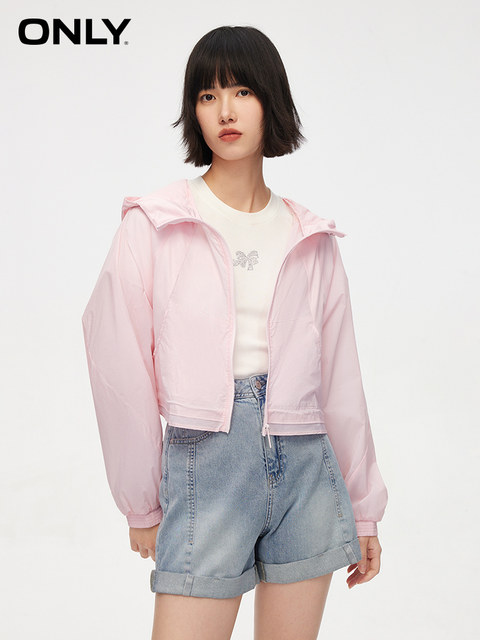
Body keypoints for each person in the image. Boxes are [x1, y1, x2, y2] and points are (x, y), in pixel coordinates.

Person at [81, 25, 388, 640]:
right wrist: (140, 500)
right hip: (207, 465)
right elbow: (117, 362)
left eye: (243, 91)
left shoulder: (311, 237)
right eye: (208, 95)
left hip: (306, 469)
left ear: (271, 101)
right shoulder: (156, 224)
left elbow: (341, 380)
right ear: (194, 112)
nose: (225, 110)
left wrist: (362, 509)